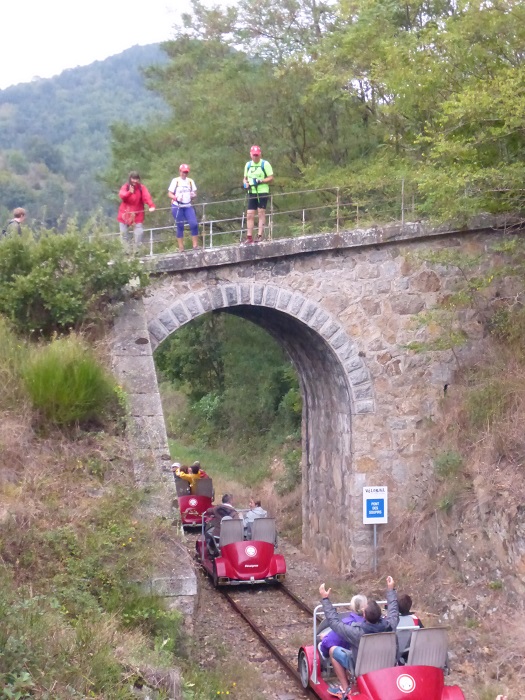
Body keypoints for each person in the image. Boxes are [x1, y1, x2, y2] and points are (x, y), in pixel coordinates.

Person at [319, 576, 399, 699]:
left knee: (333, 650)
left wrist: (325, 599)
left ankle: (345, 689)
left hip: (362, 667)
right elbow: (393, 611)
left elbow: (334, 623)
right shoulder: (390, 626)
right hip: (385, 665)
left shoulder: (357, 632)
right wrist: (390, 590)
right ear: (381, 614)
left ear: (364, 615)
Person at [319, 594, 367, 660]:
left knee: (331, 649)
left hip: (356, 662)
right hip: (376, 661)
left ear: (352, 607)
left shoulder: (348, 624)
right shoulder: (379, 624)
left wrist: (324, 639)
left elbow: (329, 641)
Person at [242, 145, 274, 244]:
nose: (255, 157)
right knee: (250, 214)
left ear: (260, 154)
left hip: (262, 191)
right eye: (254, 155)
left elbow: (271, 178)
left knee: (261, 212)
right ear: (250, 154)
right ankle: (249, 236)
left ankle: (260, 235)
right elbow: (245, 178)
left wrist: (261, 181)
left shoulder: (265, 164)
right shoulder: (248, 165)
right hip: (251, 192)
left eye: (257, 155)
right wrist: (245, 184)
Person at [117, 171, 155, 249]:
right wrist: (129, 193)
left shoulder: (141, 188)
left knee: (139, 233)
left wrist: (151, 205)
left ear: (138, 179)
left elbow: (147, 197)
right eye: (133, 179)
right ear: (130, 179)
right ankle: (126, 253)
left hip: (137, 215)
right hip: (125, 215)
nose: (134, 181)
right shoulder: (125, 187)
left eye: (136, 179)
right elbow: (122, 195)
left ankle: (136, 252)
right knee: (123, 235)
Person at [168, 164, 199, 251]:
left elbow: (194, 193)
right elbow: (170, 193)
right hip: (177, 205)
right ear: (180, 171)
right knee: (180, 225)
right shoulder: (175, 181)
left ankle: (195, 245)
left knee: (194, 224)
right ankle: (181, 247)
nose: (184, 174)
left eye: (186, 172)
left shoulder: (190, 181)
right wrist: (176, 197)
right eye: (183, 172)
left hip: (187, 205)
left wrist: (193, 195)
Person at [396, 593, 424, 664]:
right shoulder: (415, 620)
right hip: (410, 654)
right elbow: (422, 635)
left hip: (395, 654)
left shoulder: (393, 620)